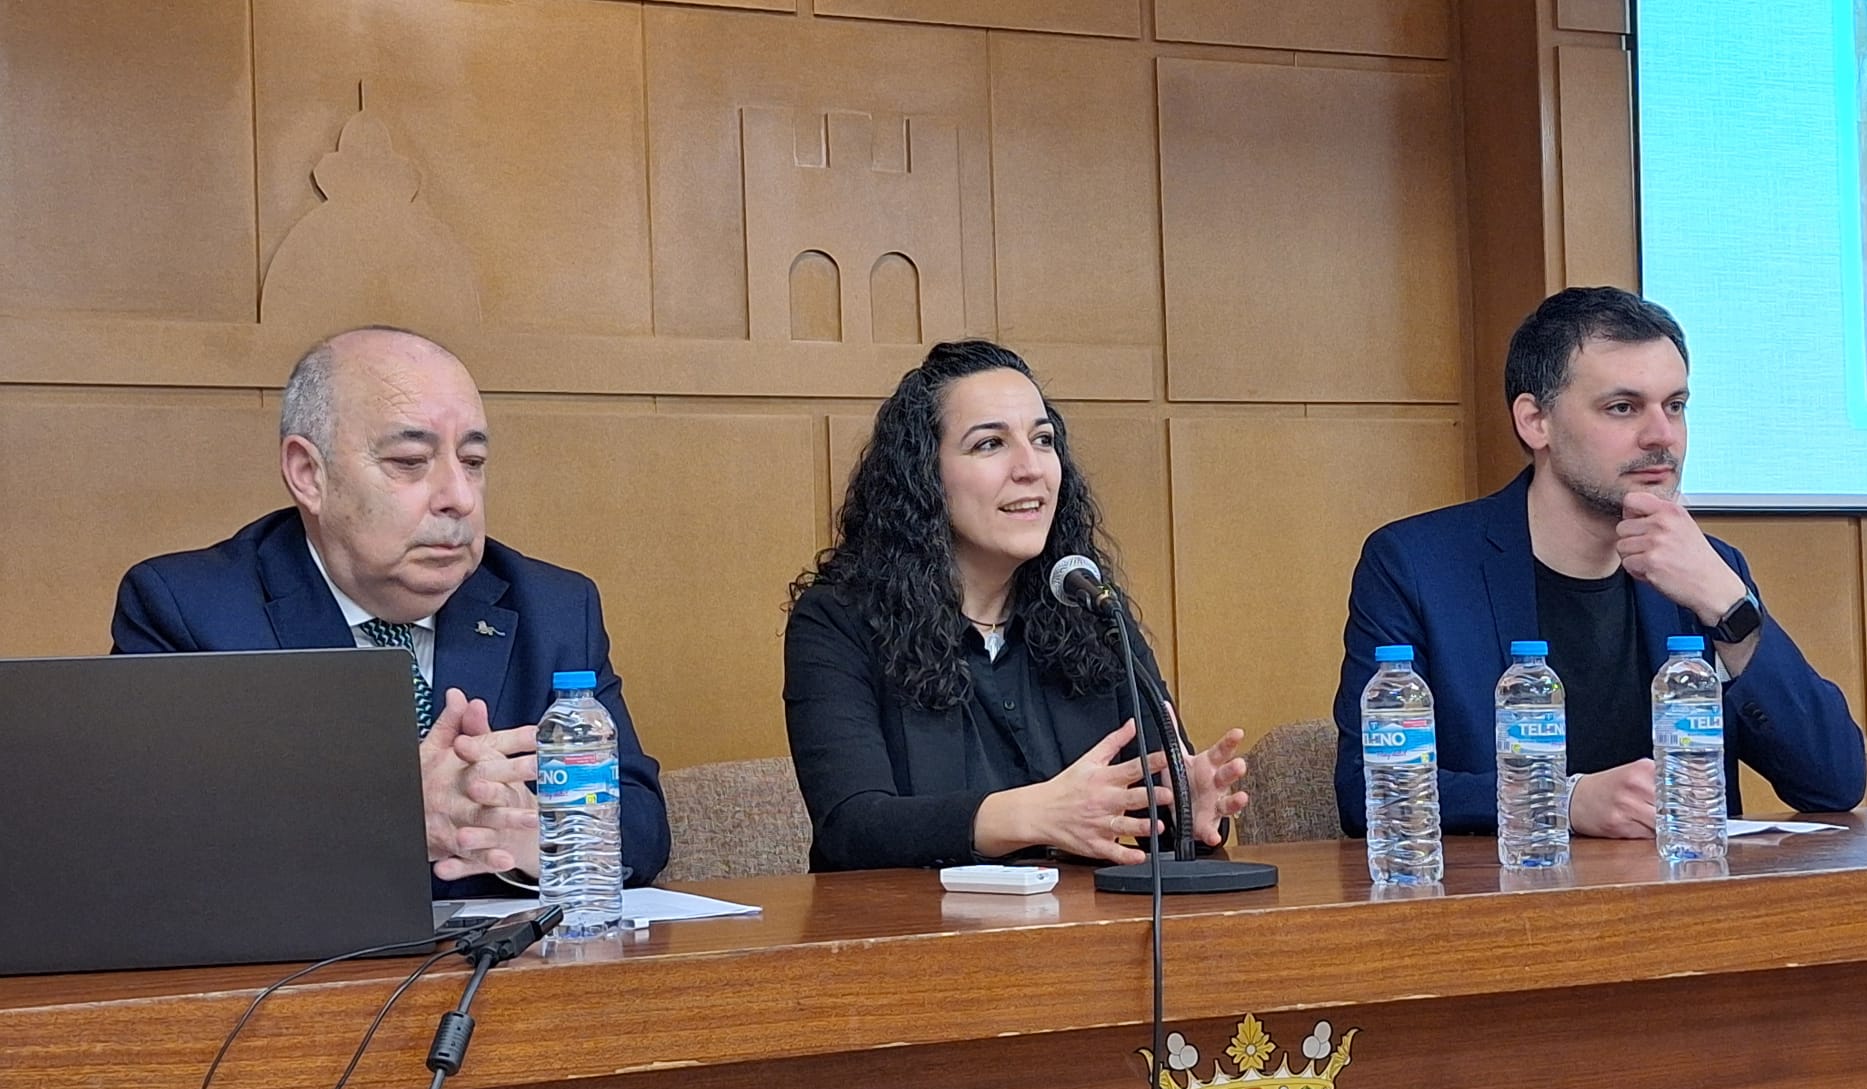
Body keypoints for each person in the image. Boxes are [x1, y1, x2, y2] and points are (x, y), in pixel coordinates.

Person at [111, 326, 669, 898]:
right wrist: (390, 815)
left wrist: (532, 831)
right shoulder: (189, 610)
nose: (460, 496)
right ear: (309, 474)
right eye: (410, 461)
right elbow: (140, 848)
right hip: (290, 981)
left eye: (473, 460)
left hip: (510, 978)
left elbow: (644, 831)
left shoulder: (553, 607)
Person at [1332, 288, 1866, 840]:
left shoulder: (1708, 569)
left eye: (1675, 406)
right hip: (1507, 904)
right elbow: (1365, 790)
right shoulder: (1416, 566)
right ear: (1535, 420)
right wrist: (1560, 799)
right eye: (1623, 407)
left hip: (1687, 903)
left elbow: (1833, 783)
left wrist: (1729, 608)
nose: (1662, 436)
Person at [783, 340, 1248, 871]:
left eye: (1043, 439)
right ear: (924, 476)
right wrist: (1034, 814)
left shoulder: (1090, 607)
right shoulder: (838, 621)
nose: (1031, 468)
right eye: (990, 445)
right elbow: (852, 828)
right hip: (913, 939)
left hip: (1085, 939)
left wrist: (1187, 806)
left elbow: (1146, 812)